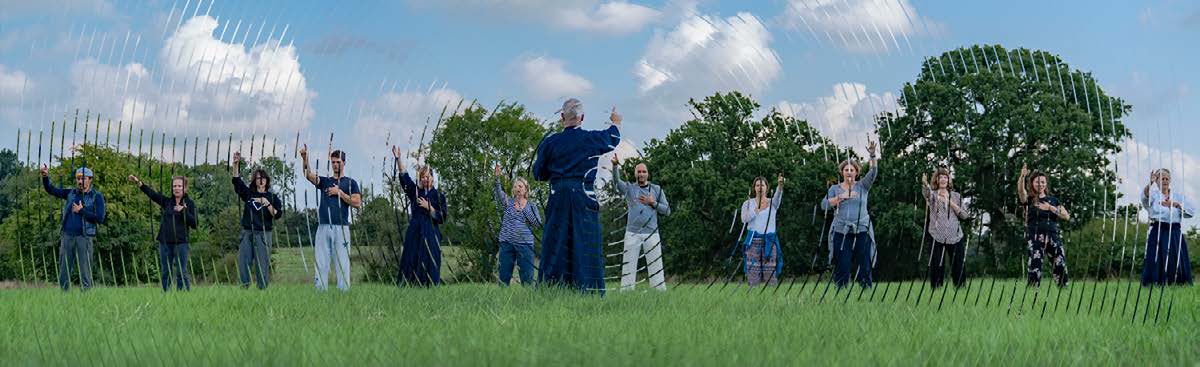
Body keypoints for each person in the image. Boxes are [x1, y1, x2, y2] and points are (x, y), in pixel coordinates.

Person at [532, 98, 622, 293]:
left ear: (562, 117)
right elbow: (613, 138)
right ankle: (588, 289)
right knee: (586, 241)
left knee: (556, 242)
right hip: (584, 195)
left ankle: (552, 288)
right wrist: (615, 121)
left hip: (559, 195)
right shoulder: (591, 139)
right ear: (582, 117)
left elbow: (538, 174)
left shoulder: (550, 143)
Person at [301, 144, 362, 291]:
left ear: (344, 163)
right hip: (323, 227)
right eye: (333, 162)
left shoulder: (351, 183)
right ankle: (320, 294)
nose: (335, 165)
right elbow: (308, 175)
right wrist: (305, 158)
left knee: (342, 264)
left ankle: (344, 294)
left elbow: (357, 203)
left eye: (338, 162)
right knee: (321, 263)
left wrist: (339, 192)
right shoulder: (325, 181)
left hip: (341, 228)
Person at [821, 141, 879, 289]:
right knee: (843, 263)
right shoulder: (835, 188)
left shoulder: (863, 186)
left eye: (851, 170)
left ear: (856, 172)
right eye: (846, 169)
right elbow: (824, 205)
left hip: (861, 229)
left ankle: (865, 291)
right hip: (841, 230)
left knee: (864, 262)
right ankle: (840, 290)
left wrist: (872, 155)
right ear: (842, 172)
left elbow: (873, 172)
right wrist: (842, 197)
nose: (849, 172)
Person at [41, 165, 106, 291]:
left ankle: (86, 298)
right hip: (67, 236)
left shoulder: (96, 196)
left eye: (83, 178)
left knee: (85, 270)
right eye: (78, 179)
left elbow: (100, 218)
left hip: (84, 237)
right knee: (64, 269)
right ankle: (65, 296)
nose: (80, 181)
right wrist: (45, 177)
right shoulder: (71, 193)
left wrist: (82, 211)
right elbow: (51, 190)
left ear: (90, 179)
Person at [129, 174, 197, 292]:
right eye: (174, 186)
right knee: (166, 271)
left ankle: (183, 295)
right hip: (165, 242)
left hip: (181, 243)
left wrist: (183, 211)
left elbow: (195, 224)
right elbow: (153, 195)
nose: (176, 188)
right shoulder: (167, 202)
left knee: (181, 271)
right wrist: (138, 182)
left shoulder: (189, 204)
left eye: (179, 186)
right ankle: (166, 294)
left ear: (184, 188)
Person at [612, 156, 671, 291]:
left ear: (647, 173)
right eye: (639, 172)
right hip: (632, 234)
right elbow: (616, 181)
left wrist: (653, 203)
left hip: (652, 234)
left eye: (644, 171)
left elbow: (667, 211)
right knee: (628, 266)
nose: (641, 174)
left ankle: (659, 293)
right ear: (635, 173)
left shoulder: (656, 189)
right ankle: (626, 294)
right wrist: (615, 167)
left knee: (655, 266)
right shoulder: (629, 188)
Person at [392, 146, 447, 287]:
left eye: (428, 176)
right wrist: (398, 159)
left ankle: (430, 288)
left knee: (430, 260)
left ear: (433, 178)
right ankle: (408, 288)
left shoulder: (439, 196)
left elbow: (442, 218)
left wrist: (430, 208)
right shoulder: (415, 192)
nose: (425, 179)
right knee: (411, 258)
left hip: (431, 232)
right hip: (415, 231)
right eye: (422, 177)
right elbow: (405, 178)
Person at [231, 152, 284, 290]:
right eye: (258, 178)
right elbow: (237, 181)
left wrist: (267, 203)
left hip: (263, 234)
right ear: (254, 180)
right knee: (243, 264)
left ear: (267, 180)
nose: (261, 180)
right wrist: (236, 164)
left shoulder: (273, 197)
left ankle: (262, 291)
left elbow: (277, 215)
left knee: (262, 265)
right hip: (247, 232)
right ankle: (244, 290)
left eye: (263, 178)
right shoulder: (249, 194)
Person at [1017, 163, 1070, 288]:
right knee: (1035, 265)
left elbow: (1066, 216)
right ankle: (1032, 292)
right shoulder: (1029, 200)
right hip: (1035, 237)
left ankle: (1063, 290)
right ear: (1032, 183)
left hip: (1053, 237)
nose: (1040, 184)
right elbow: (1021, 191)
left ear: (1045, 183)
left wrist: (1051, 208)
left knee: (1060, 264)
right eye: (1037, 182)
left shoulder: (1053, 200)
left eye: (1042, 182)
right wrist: (1022, 177)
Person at [1140, 168, 1193, 286]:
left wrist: (1175, 204)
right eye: (1161, 179)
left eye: (1166, 178)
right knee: (1156, 256)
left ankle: (1178, 283)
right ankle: (1154, 283)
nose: (1164, 181)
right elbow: (1144, 198)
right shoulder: (1153, 196)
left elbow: (1190, 213)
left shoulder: (1178, 196)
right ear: (1157, 181)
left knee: (1176, 257)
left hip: (1174, 231)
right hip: (1158, 230)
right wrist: (1150, 183)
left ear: (1170, 180)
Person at [493, 163, 541, 287]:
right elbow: (499, 192)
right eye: (515, 186)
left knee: (527, 278)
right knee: (503, 277)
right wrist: (497, 178)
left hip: (525, 245)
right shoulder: (508, 202)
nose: (517, 188)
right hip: (506, 243)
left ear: (525, 190)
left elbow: (537, 224)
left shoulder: (532, 205)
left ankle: (527, 301)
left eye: (520, 186)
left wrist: (523, 209)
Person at [921, 168, 970, 289]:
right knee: (937, 264)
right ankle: (936, 289)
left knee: (958, 264)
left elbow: (964, 215)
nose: (943, 179)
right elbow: (926, 193)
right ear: (936, 180)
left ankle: (960, 288)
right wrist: (925, 183)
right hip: (936, 235)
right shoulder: (932, 195)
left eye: (945, 177)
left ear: (948, 180)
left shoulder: (956, 196)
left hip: (955, 236)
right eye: (940, 177)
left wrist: (950, 203)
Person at [740, 174, 784, 287]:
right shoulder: (748, 203)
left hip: (769, 241)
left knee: (770, 275)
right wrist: (758, 209)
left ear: (766, 188)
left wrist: (780, 185)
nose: (760, 187)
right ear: (754, 188)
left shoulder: (772, 203)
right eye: (757, 185)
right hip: (753, 241)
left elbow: (778, 196)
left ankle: (770, 300)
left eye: (762, 185)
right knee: (753, 274)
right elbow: (744, 219)